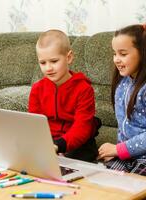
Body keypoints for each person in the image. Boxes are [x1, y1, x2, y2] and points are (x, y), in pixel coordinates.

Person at [97, 24, 146, 180]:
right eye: (114, 54)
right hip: (129, 155)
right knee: (101, 181)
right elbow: (123, 126)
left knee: (133, 187)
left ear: (143, 53)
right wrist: (116, 153)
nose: (116, 60)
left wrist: (118, 150)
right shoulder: (122, 85)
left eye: (123, 53)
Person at [28, 29, 100, 162]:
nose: (48, 68)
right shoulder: (37, 89)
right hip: (49, 141)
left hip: (77, 142)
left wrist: (57, 146)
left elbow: (82, 128)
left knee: (78, 155)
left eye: (54, 61)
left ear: (69, 57)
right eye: (43, 63)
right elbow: (35, 124)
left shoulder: (84, 89)